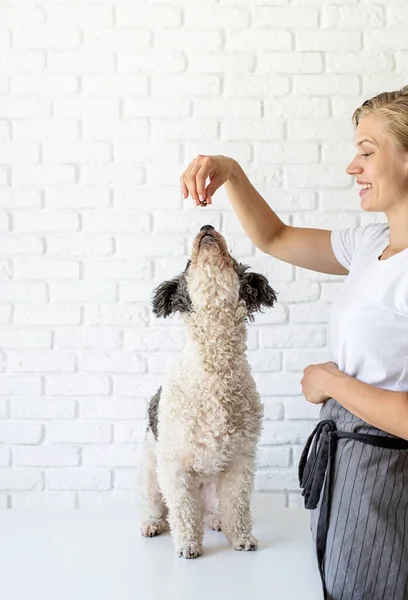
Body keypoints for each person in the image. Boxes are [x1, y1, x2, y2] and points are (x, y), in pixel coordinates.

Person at [180, 85, 408, 600]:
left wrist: (331, 381)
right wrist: (231, 171)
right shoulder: (371, 244)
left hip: (390, 472)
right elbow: (275, 238)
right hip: (351, 467)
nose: (353, 167)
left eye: (368, 152)